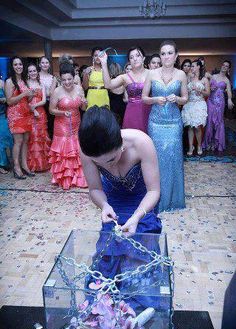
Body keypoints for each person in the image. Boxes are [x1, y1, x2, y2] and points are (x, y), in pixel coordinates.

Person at [79, 106, 162, 309]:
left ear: (120, 144)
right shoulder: (87, 150)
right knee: (108, 260)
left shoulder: (141, 143)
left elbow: (154, 191)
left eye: (110, 159)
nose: (106, 166)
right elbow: (95, 189)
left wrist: (136, 217)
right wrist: (104, 205)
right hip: (113, 205)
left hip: (142, 204)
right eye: (100, 164)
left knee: (139, 260)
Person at [142, 40, 188, 212]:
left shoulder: (181, 74)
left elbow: (185, 98)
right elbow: (144, 98)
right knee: (157, 160)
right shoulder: (151, 74)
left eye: (170, 53)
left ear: (176, 56)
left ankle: (173, 200)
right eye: (163, 53)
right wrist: (155, 100)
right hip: (156, 122)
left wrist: (177, 99)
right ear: (160, 56)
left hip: (174, 122)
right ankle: (156, 200)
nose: (166, 56)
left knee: (174, 159)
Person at [49, 63, 87, 190]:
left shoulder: (79, 89)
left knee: (76, 149)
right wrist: (62, 112)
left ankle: (77, 177)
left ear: (74, 77)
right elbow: (51, 110)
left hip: (77, 122)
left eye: (69, 79)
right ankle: (65, 178)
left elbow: (83, 108)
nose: (67, 82)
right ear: (60, 79)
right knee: (65, 151)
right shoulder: (57, 91)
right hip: (62, 125)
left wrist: (84, 103)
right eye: (64, 79)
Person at [100, 46, 150, 133]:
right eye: (131, 57)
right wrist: (104, 63)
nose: (135, 59)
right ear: (129, 61)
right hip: (132, 114)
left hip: (150, 113)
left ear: (143, 58)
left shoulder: (152, 74)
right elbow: (108, 85)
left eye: (137, 55)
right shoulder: (125, 77)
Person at [5, 56, 35, 179]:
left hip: (26, 113)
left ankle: (25, 165)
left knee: (25, 141)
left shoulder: (24, 80)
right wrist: (24, 94)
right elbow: (9, 101)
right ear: (12, 67)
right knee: (18, 141)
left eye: (20, 64)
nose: (19, 67)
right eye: (16, 64)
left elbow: (27, 99)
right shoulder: (9, 81)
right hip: (15, 115)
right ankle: (16, 168)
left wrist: (31, 95)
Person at [203, 60, 234, 153]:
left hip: (220, 103)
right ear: (221, 66)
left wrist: (229, 99)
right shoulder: (213, 76)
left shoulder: (227, 80)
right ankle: (208, 142)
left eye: (227, 66)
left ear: (229, 69)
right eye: (223, 65)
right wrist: (209, 88)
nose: (224, 67)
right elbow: (204, 85)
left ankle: (216, 143)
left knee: (218, 122)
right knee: (209, 121)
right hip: (211, 101)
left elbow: (229, 92)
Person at [182, 59, 210, 156]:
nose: (191, 68)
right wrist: (188, 91)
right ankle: (190, 147)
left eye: (193, 66)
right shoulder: (188, 78)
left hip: (199, 104)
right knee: (190, 127)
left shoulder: (204, 79)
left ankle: (199, 145)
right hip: (189, 104)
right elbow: (184, 91)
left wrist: (200, 91)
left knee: (197, 127)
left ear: (199, 67)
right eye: (191, 66)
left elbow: (208, 93)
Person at [27, 63, 51, 172]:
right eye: (30, 71)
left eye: (34, 71)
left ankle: (43, 163)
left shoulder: (41, 84)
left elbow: (44, 100)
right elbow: (25, 101)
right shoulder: (26, 84)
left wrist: (35, 107)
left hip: (41, 113)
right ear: (27, 73)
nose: (33, 73)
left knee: (42, 136)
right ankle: (33, 164)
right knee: (32, 137)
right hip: (29, 113)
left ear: (37, 72)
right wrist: (32, 109)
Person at [39, 56, 57, 139]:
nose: (45, 64)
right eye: (43, 62)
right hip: (38, 104)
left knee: (50, 126)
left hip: (49, 104)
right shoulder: (35, 76)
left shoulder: (52, 78)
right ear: (39, 64)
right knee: (40, 127)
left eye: (46, 62)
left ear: (49, 64)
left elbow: (52, 93)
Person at [0, 77, 13, 174]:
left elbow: (8, 99)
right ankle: (1, 165)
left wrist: (4, 99)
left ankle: (4, 162)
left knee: (5, 138)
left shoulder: (1, 82)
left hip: (2, 114)